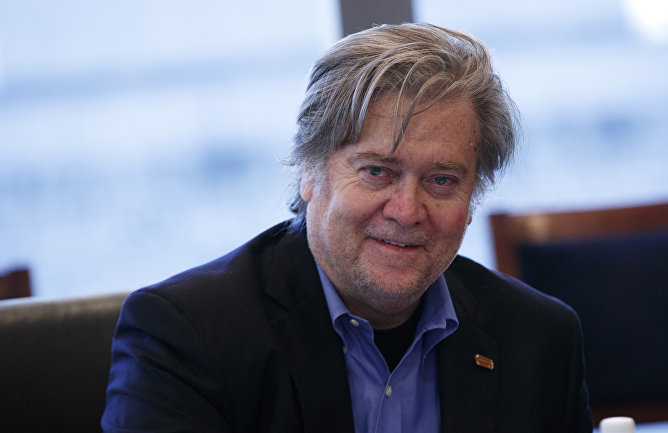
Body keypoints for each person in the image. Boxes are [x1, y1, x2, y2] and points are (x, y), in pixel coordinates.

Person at [101, 23, 592, 433]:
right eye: (377, 171)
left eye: (441, 181)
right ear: (309, 172)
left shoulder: (538, 338)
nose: (406, 211)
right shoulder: (186, 337)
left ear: (471, 200)